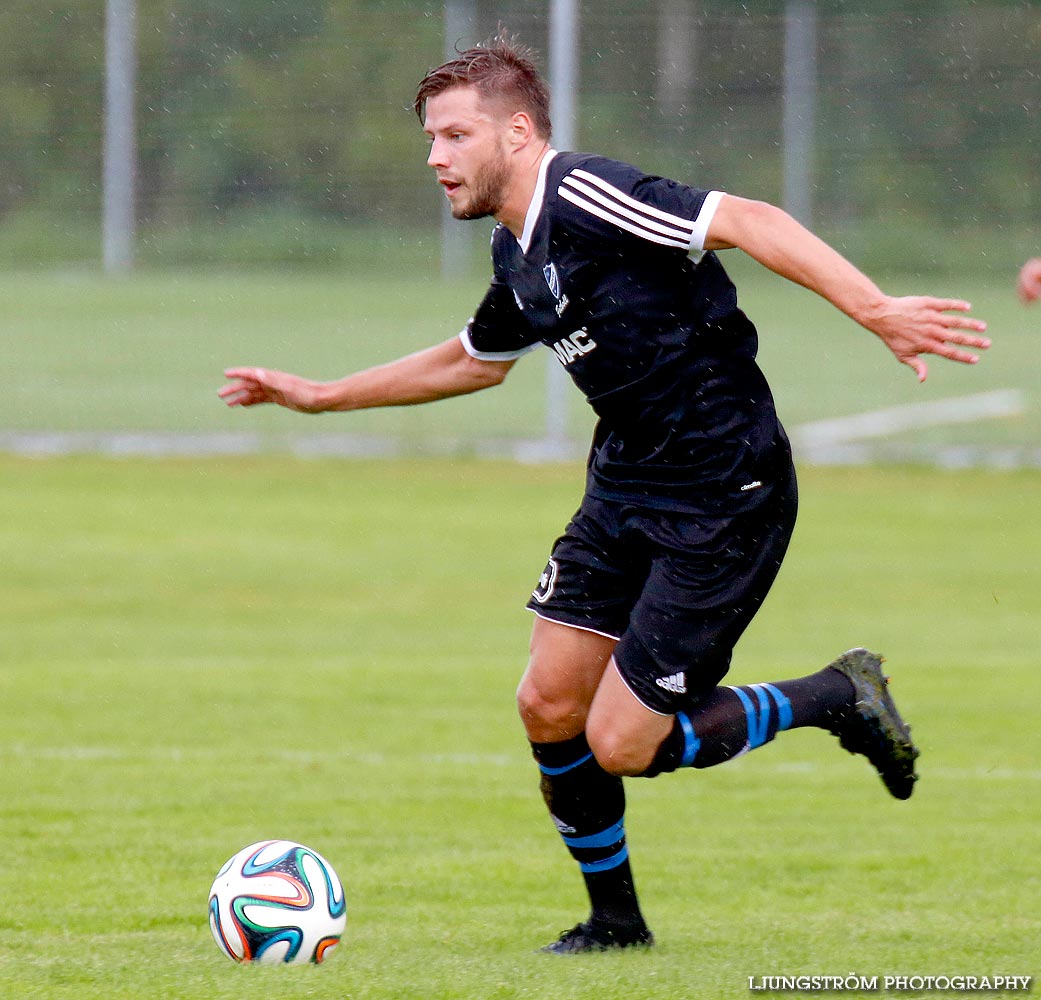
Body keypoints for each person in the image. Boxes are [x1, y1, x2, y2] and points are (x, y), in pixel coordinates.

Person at [219, 36, 990, 954]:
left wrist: (875, 309)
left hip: (724, 493)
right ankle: (615, 925)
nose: (435, 158)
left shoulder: (584, 194)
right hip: (623, 487)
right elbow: (474, 362)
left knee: (624, 742)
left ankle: (832, 696)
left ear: (515, 130)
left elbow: (747, 217)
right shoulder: (517, 249)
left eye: (453, 136)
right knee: (547, 706)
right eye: (429, 139)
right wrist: (319, 394)